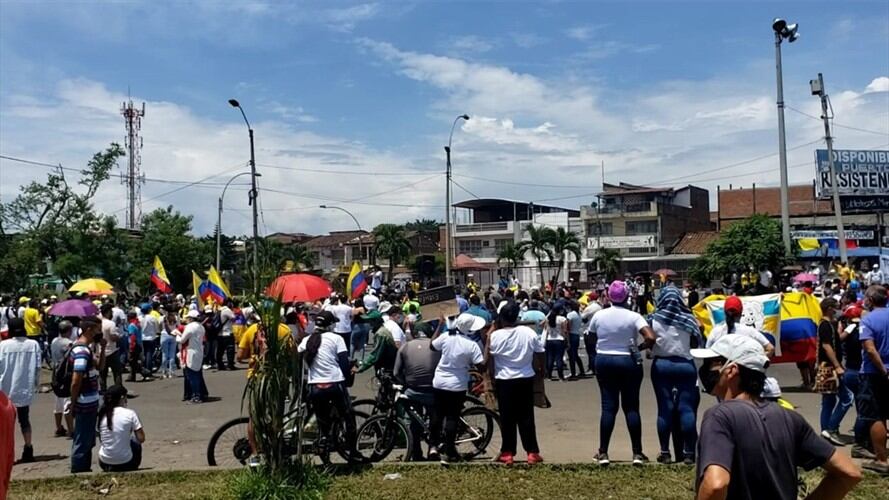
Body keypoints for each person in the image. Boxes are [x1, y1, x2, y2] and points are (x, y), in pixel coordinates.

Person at [692, 334, 861, 499]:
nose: (705, 369)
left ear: (731, 370)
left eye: (712, 363)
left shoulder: (720, 416)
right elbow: (849, 473)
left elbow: (716, 484)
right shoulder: (790, 418)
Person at [589, 280, 656, 466]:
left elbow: (591, 335)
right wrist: (638, 347)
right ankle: (637, 453)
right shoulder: (634, 316)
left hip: (604, 360)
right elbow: (651, 337)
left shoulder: (599, 315)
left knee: (608, 407)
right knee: (632, 407)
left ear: (609, 296)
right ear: (627, 296)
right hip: (628, 360)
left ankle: (603, 452)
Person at [487, 302, 545, 466]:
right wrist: (542, 369)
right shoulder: (528, 332)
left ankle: (507, 452)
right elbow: (540, 351)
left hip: (504, 380)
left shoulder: (495, 336)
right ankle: (532, 452)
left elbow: (489, 356)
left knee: (507, 418)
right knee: (526, 417)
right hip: (525, 377)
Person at [650, 285, 701, 465]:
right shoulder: (688, 319)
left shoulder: (653, 319)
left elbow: (648, 340)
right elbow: (697, 342)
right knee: (686, 409)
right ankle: (688, 454)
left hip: (661, 365)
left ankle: (665, 452)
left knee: (665, 409)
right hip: (685, 365)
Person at [297, 311, 356, 457]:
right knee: (348, 415)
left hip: (315, 385)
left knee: (322, 420)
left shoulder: (307, 341)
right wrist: (348, 380)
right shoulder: (336, 339)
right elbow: (343, 363)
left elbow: (297, 357)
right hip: (335, 383)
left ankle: (324, 443)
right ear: (330, 325)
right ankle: (352, 450)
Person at [430, 313, 484, 464]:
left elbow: (432, 345)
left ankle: (433, 445)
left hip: (439, 381)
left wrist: (440, 325)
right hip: (457, 384)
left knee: (437, 415)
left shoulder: (446, 337)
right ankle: (449, 451)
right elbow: (481, 366)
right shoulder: (471, 345)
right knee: (452, 417)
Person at [393, 324, 441, 461]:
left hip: (413, 390)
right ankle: (433, 448)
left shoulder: (405, 346)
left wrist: (405, 382)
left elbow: (396, 372)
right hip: (433, 390)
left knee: (415, 422)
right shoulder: (436, 346)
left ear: (414, 334)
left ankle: (416, 452)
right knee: (435, 419)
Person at [858, 285, 889, 474]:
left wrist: (883, 370)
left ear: (870, 299)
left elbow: (870, 349)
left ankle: (881, 460)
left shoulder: (867, 320)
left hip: (873, 374)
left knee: (876, 416)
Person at [0, 318, 40, 463]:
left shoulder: (3, 345)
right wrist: (35, 384)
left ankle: (7, 452)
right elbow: (37, 367)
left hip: (5, 390)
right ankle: (28, 448)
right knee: (25, 421)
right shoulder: (33, 344)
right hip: (24, 388)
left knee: (7, 424)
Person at [69, 316, 105, 473]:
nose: (100, 332)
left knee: (88, 436)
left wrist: (102, 349)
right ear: (89, 329)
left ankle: (84, 466)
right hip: (84, 401)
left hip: (90, 399)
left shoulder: (88, 349)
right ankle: (79, 468)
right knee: (83, 437)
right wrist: (73, 401)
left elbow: (100, 366)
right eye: (98, 329)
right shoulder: (81, 351)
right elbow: (76, 379)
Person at [816, 298, 853, 446]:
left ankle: (826, 430)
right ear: (830, 308)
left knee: (828, 401)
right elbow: (826, 346)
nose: (838, 310)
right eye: (836, 307)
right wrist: (838, 366)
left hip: (826, 366)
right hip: (830, 367)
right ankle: (830, 428)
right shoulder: (825, 325)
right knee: (847, 398)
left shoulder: (829, 324)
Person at [705, 296, 775, 357]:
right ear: (741, 312)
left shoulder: (716, 331)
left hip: (724, 370)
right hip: (745, 370)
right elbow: (770, 348)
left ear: (724, 312)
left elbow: (707, 352)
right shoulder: (750, 331)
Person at [97, 385, 145, 472]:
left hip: (105, 463)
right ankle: (133, 466)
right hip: (126, 462)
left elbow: (102, 440)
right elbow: (141, 438)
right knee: (134, 441)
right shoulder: (130, 413)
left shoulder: (102, 414)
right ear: (122, 398)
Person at [176, 310, 208, 404]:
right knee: (197, 375)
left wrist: (177, 336)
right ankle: (199, 394)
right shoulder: (201, 327)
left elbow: (182, 340)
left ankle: (196, 396)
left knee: (192, 377)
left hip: (191, 352)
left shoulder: (190, 327)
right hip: (199, 352)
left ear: (190, 318)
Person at [50, 320, 75, 437]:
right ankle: (71, 430)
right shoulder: (68, 343)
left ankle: (58, 427)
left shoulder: (54, 341)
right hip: (65, 375)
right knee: (67, 403)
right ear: (69, 330)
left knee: (57, 403)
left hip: (55, 373)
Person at [99, 305, 123, 391]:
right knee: (117, 372)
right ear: (108, 312)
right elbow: (113, 337)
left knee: (102, 374)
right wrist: (119, 337)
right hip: (112, 351)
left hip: (101, 351)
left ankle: (103, 390)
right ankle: (118, 390)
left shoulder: (98, 323)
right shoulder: (111, 324)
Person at [543, 307, 568, 381]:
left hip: (550, 339)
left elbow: (545, 329)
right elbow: (565, 331)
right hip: (559, 339)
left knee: (550, 358)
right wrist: (567, 340)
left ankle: (549, 376)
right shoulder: (562, 319)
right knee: (559, 358)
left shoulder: (548, 319)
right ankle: (561, 376)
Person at [581, 293, 602, 376]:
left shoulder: (590, 308)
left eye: (588, 297)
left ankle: (592, 368)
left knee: (591, 352)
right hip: (598, 330)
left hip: (589, 331)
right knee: (595, 350)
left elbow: (582, 317)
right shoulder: (599, 307)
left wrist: (581, 309)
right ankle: (595, 368)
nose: (587, 298)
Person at [565, 301, 584, 379]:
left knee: (571, 355)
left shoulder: (570, 314)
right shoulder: (579, 314)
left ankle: (573, 373)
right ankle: (581, 370)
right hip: (576, 334)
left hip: (571, 334)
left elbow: (568, 325)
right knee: (575, 354)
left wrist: (566, 336)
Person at [216, 300, 236, 371]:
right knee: (230, 349)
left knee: (220, 350)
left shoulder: (218, 310)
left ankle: (220, 365)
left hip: (219, 333)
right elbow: (234, 318)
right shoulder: (227, 310)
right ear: (228, 303)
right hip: (227, 333)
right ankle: (230, 365)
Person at [125, 312, 145, 382]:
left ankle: (143, 372)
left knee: (131, 361)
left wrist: (131, 346)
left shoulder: (131, 325)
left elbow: (132, 336)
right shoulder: (137, 324)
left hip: (134, 344)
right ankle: (132, 376)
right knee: (134, 361)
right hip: (139, 344)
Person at [160, 309, 180, 378]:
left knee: (164, 354)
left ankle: (164, 372)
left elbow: (159, 325)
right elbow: (178, 326)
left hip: (164, 335)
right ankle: (171, 372)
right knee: (172, 355)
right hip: (173, 335)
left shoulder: (163, 317)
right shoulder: (176, 317)